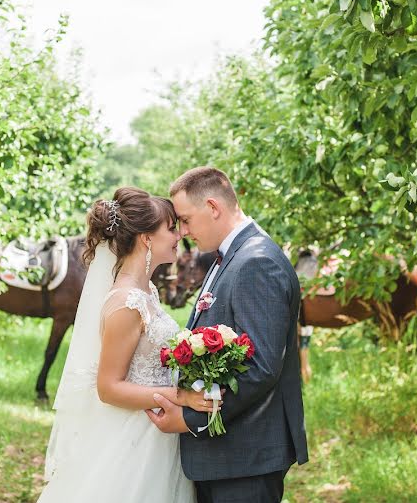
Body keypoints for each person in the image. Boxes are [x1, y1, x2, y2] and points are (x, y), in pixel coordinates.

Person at [147, 167, 308, 503]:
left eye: (187, 220)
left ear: (213, 207)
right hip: (227, 457)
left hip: (245, 459)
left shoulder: (257, 262)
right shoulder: (231, 256)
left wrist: (191, 417)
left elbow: (262, 367)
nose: (185, 231)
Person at [39, 187, 205, 503]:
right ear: (146, 238)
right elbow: (108, 387)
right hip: (134, 438)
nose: (178, 235)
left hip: (156, 431)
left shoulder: (148, 293)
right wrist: (180, 397)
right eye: (171, 228)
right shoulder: (127, 303)